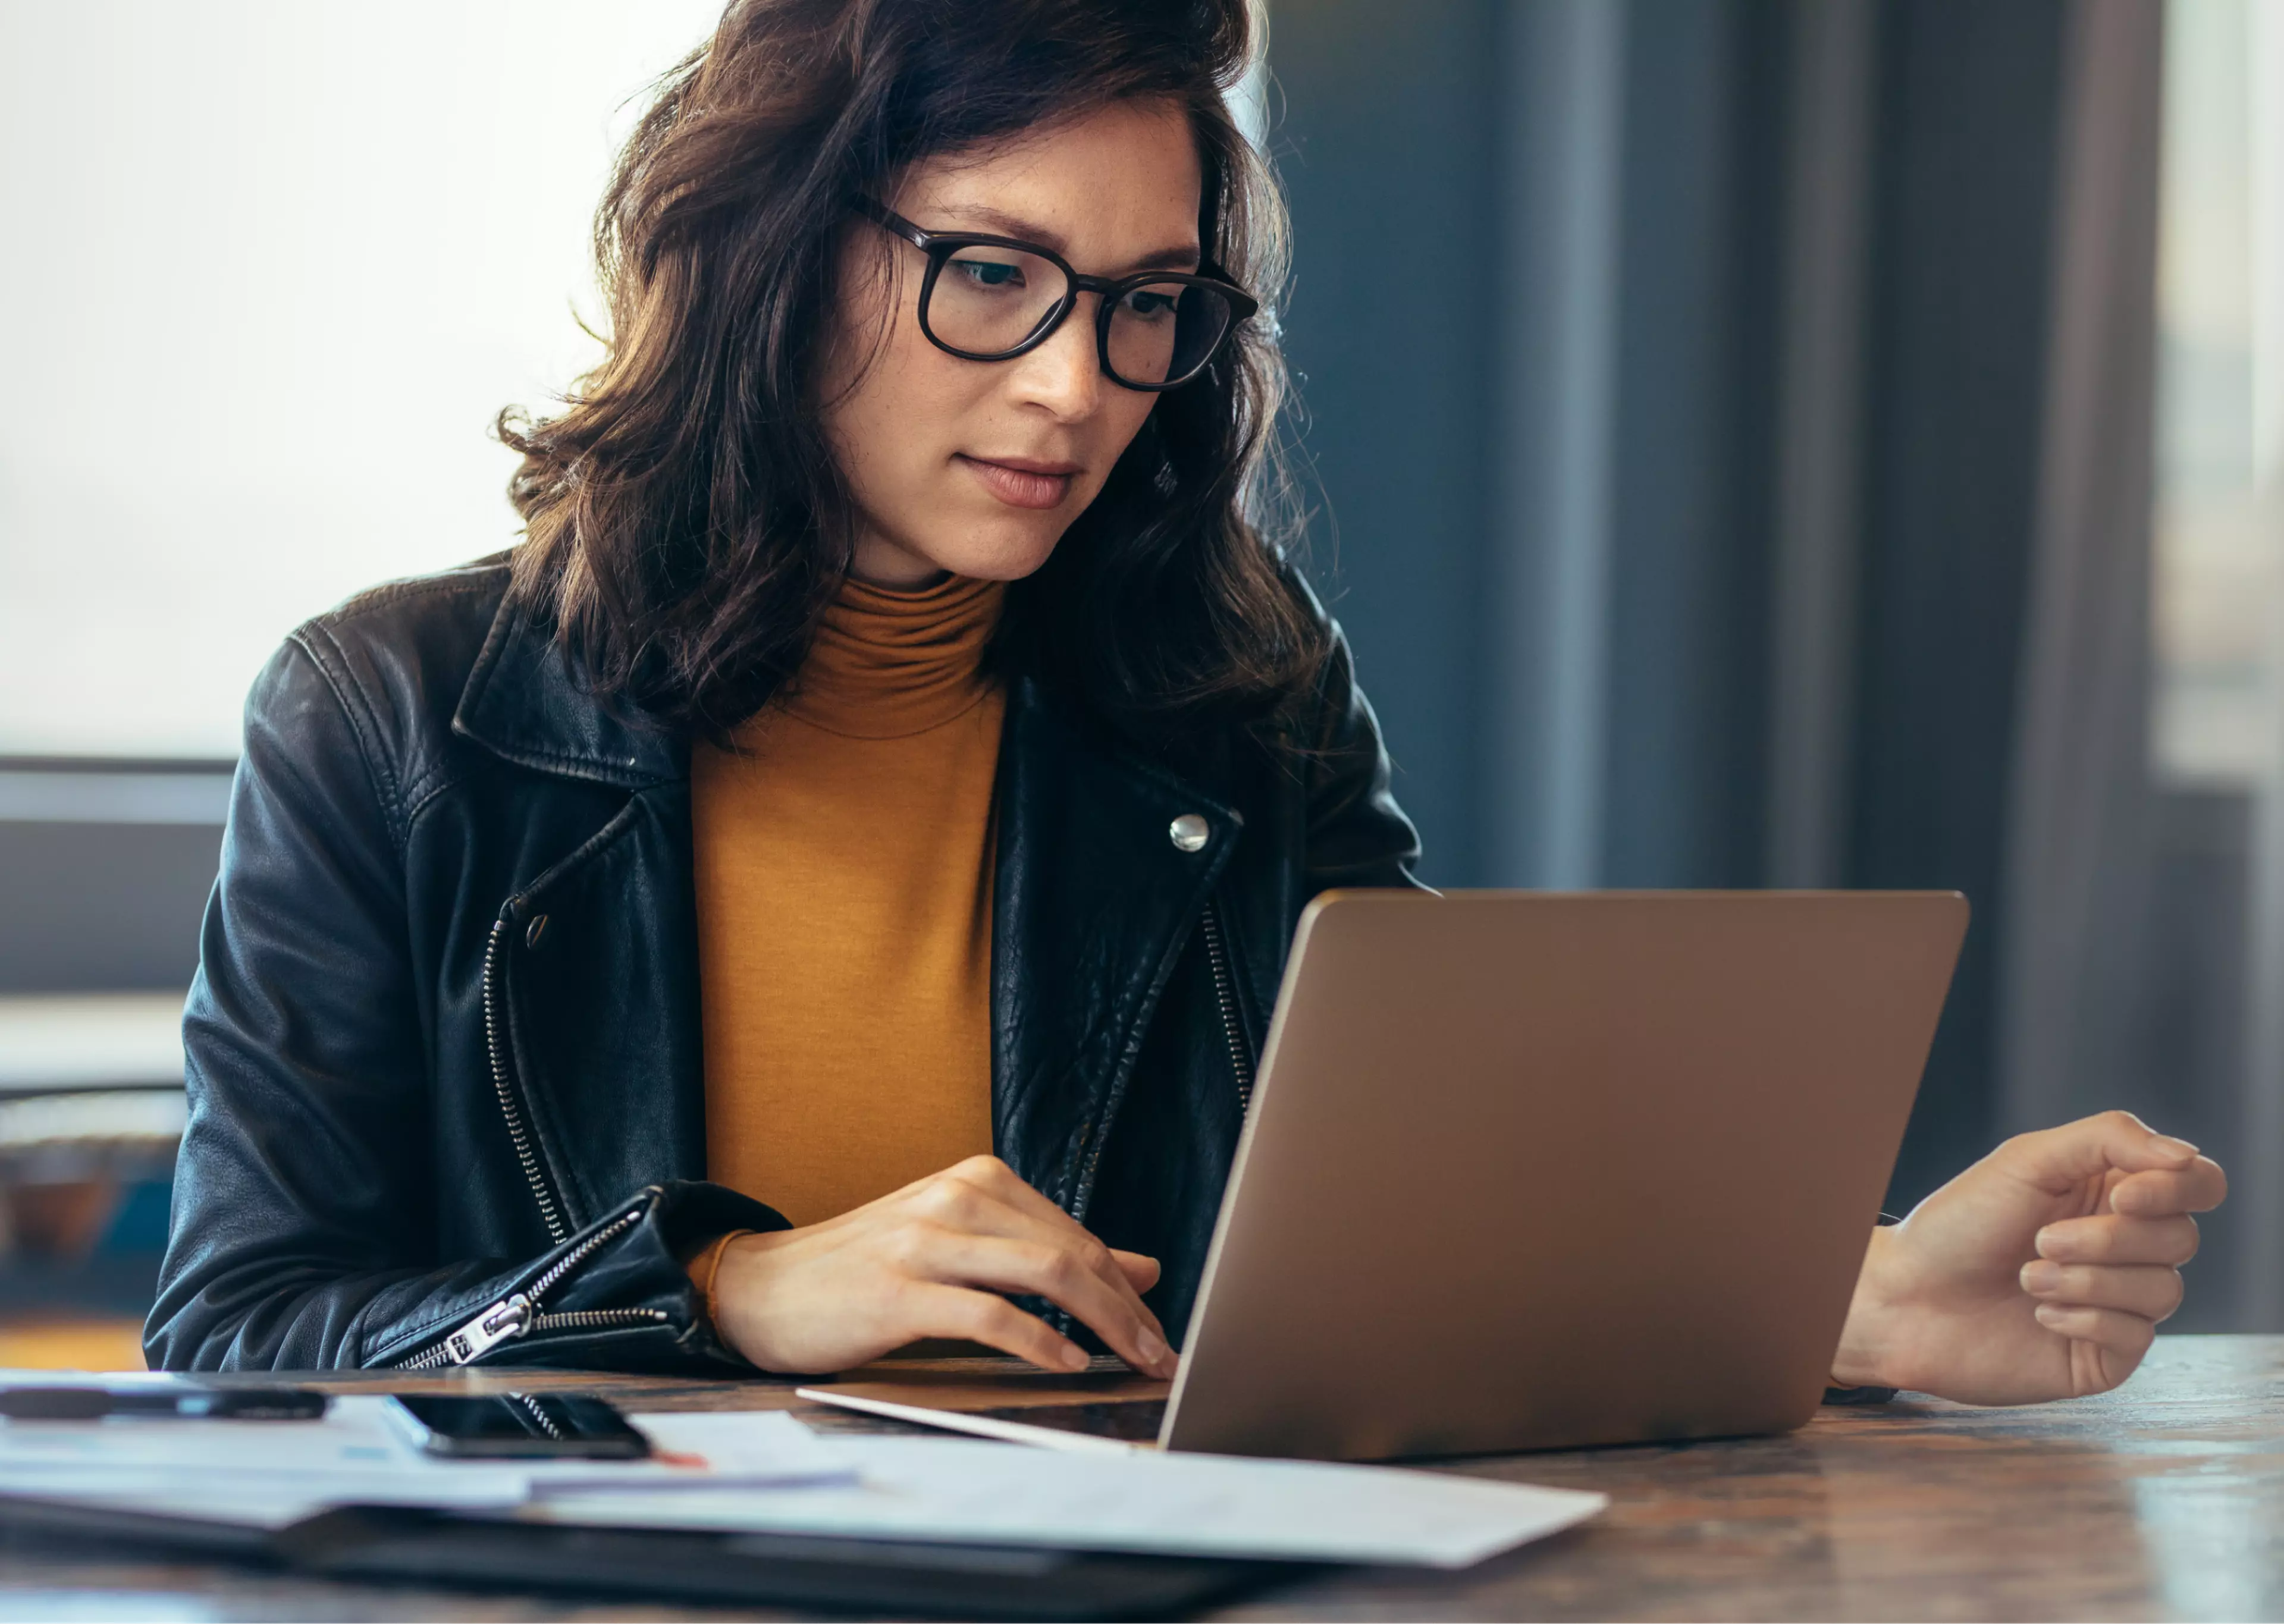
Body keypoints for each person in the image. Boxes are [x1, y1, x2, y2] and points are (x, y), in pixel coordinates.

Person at [148, 0, 2225, 1409]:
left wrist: (1851, 1297)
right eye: (992, 273)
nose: (1076, 385)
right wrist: (717, 1296)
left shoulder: (1231, 683)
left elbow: (1423, 1214)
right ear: (770, 250)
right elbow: (239, 1333)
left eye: (1149, 303)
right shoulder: (396, 717)